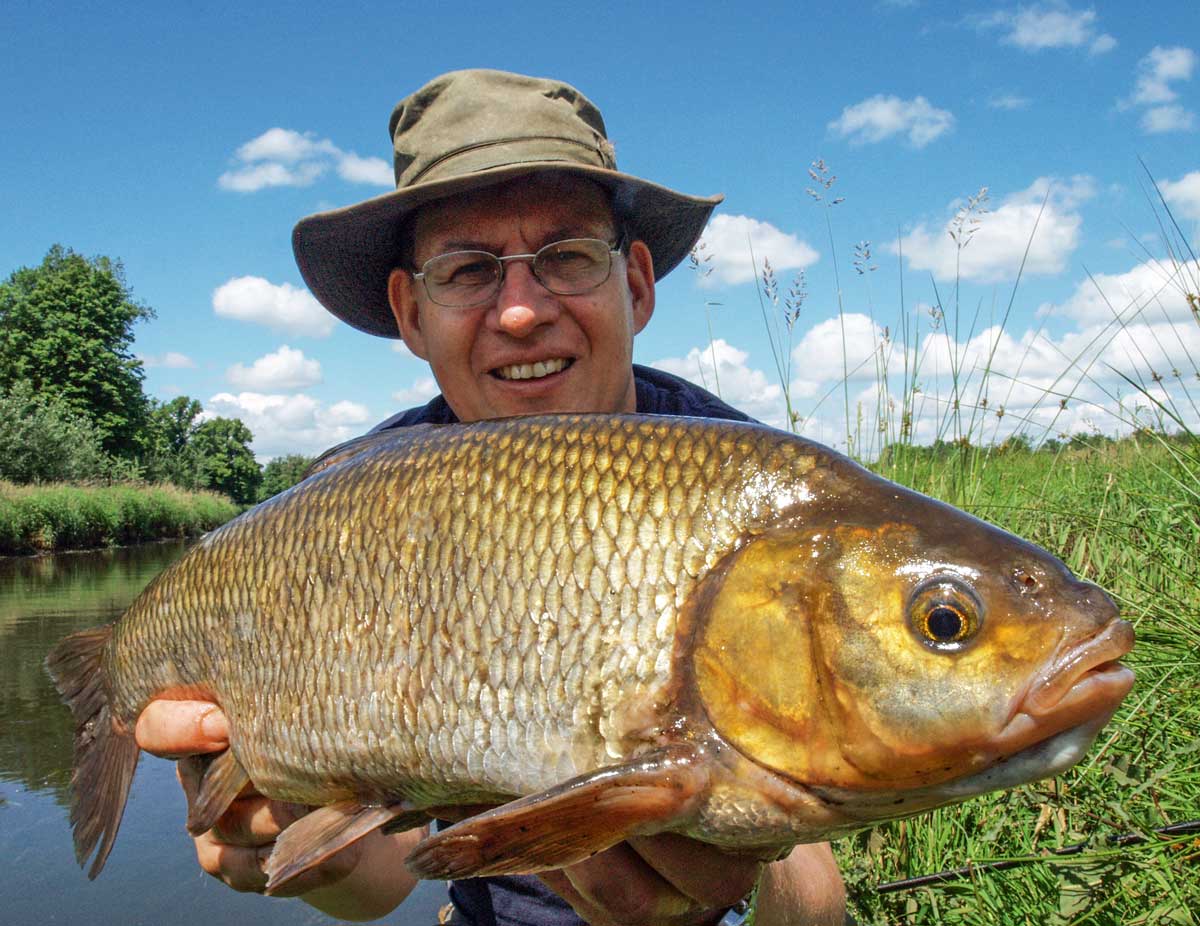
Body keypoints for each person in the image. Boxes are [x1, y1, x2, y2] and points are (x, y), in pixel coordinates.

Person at [135, 69, 849, 925]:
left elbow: (815, 895)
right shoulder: (363, 507)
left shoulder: (744, 487)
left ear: (638, 285)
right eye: (469, 271)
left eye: (568, 258)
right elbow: (386, 877)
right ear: (410, 313)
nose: (520, 313)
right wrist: (291, 844)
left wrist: (737, 884)